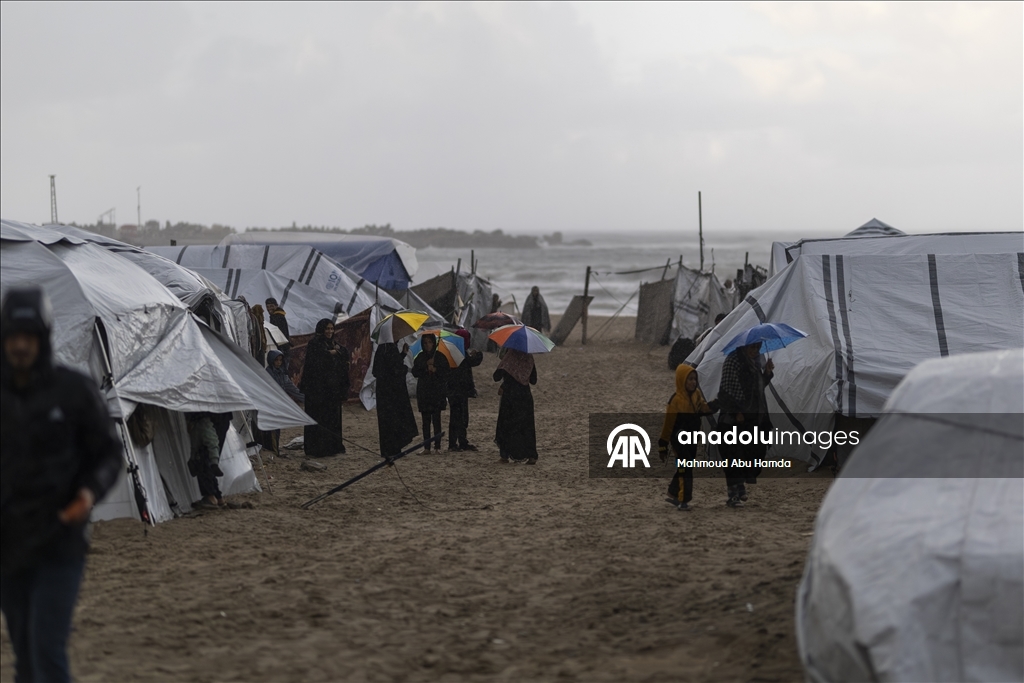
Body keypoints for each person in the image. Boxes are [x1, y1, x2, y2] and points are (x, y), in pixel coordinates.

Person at [1, 288, 121, 683]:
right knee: (25, 657)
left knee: (46, 650)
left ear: (43, 337)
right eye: (13, 336)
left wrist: (88, 494)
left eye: (28, 336)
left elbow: (108, 453)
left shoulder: (73, 391)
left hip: (60, 540)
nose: (20, 346)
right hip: (8, 544)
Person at [716, 342, 775, 507]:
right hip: (731, 419)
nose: (755, 351)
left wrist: (767, 373)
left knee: (752, 453)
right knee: (732, 456)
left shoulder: (754, 364)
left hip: (752, 418)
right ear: (744, 346)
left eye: (757, 348)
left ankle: (740, 483)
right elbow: (727, 390)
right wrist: (736, 411)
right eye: (752, 347)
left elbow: (756, 389)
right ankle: (733, 494)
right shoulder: (733, 361)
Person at [657, 364, 718, 510]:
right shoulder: (675, 400)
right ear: (681, 380)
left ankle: (673, 492)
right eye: (689, 379)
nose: (693, 382)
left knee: (687, 465)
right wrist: (663, 445)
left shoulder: (696, 395)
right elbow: (668, 425)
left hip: (693, 438)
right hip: (678, 439)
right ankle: (683, 500)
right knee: (685, 468)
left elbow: (704, 409)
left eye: (694, 379)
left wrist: (718, 402)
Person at [300, 319, 349, 457]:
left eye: (332, 329)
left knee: (332, 418)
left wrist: (335, 353)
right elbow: (315, 363)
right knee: (318, 418)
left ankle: (332, 447)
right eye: (327, 329)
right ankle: (317, 449)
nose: (329, 331)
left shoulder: (333, 344)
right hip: (317, 391)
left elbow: (344, 354)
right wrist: (330, 354)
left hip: (331, 390)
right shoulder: (314, 344)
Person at [371, 341, 418, 458]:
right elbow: (390, 369)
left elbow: (390, 365)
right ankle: (391, 449)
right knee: (391, 420)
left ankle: (394, 448)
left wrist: (402, 354)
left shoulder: (387, 348)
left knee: (393, 420)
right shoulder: (386, 348)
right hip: (390, 394)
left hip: (389, 393)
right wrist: (403, 368)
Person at [493, 349, 538, 464]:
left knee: (506, 425)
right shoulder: (529, 358)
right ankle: (531, 455)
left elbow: (496, 376)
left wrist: (504, 364)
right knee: (526, 426)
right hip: (525, 396)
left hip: (510, 397)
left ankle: (504, 455)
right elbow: (533, 380)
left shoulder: (509, 358)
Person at [411, 333, 450, 453]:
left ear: (433, 343)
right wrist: (425, 366)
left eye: (430, 342)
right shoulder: (420, 357)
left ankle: (437, 446)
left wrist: (436, 369)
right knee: (425, 421)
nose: (428, 345)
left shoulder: (440, 357)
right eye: (425, 343)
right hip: (424, 392)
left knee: (436, 420)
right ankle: (426, 447)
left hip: (437, 392)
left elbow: (446, 373)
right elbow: (415, 372)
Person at [447, 328, 483, 451]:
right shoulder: (460, 353)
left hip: (453, 389)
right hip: (459, 390)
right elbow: (472, 362)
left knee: (459, 416)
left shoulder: (453, 352)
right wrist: (478, 354)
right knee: (459, 417)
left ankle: (460, 442)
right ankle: (454, 443)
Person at [264, 349, 304, 457]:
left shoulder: (282, 374)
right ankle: (273, 451)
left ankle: (275, 450)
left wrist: (308, 399)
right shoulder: (268, 374)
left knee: (276, 429)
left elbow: (292, 389)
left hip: (278, 406)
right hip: (270, 406)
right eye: (276, 360)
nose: (278, 363)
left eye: (280, 360)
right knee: (271, 430)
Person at [186, 412, 224, 509]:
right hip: (217, 420)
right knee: (207, 467)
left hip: (204, 454)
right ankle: (218, 497)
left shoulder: (202, 424)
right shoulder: (200, 425)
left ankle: (210, 497)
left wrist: (214, 462)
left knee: (203, 467)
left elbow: (212, 442)